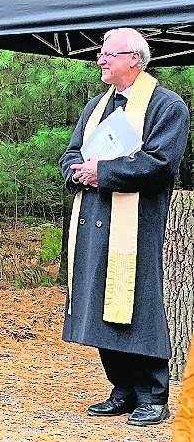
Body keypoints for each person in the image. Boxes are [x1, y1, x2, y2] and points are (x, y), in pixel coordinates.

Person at [60, 28, 190, 426]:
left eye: (108, 54)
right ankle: (123, 388)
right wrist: (78, 172)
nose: (100, 59)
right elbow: (70, 154)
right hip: (94, 219)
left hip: (138, 224)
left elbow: (161, 164)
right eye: (100, 53)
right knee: (101, 303)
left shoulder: (167, 107)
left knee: (139, 304)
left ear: (134, 58)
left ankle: (153, 394)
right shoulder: (96, 106)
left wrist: (104, 172)